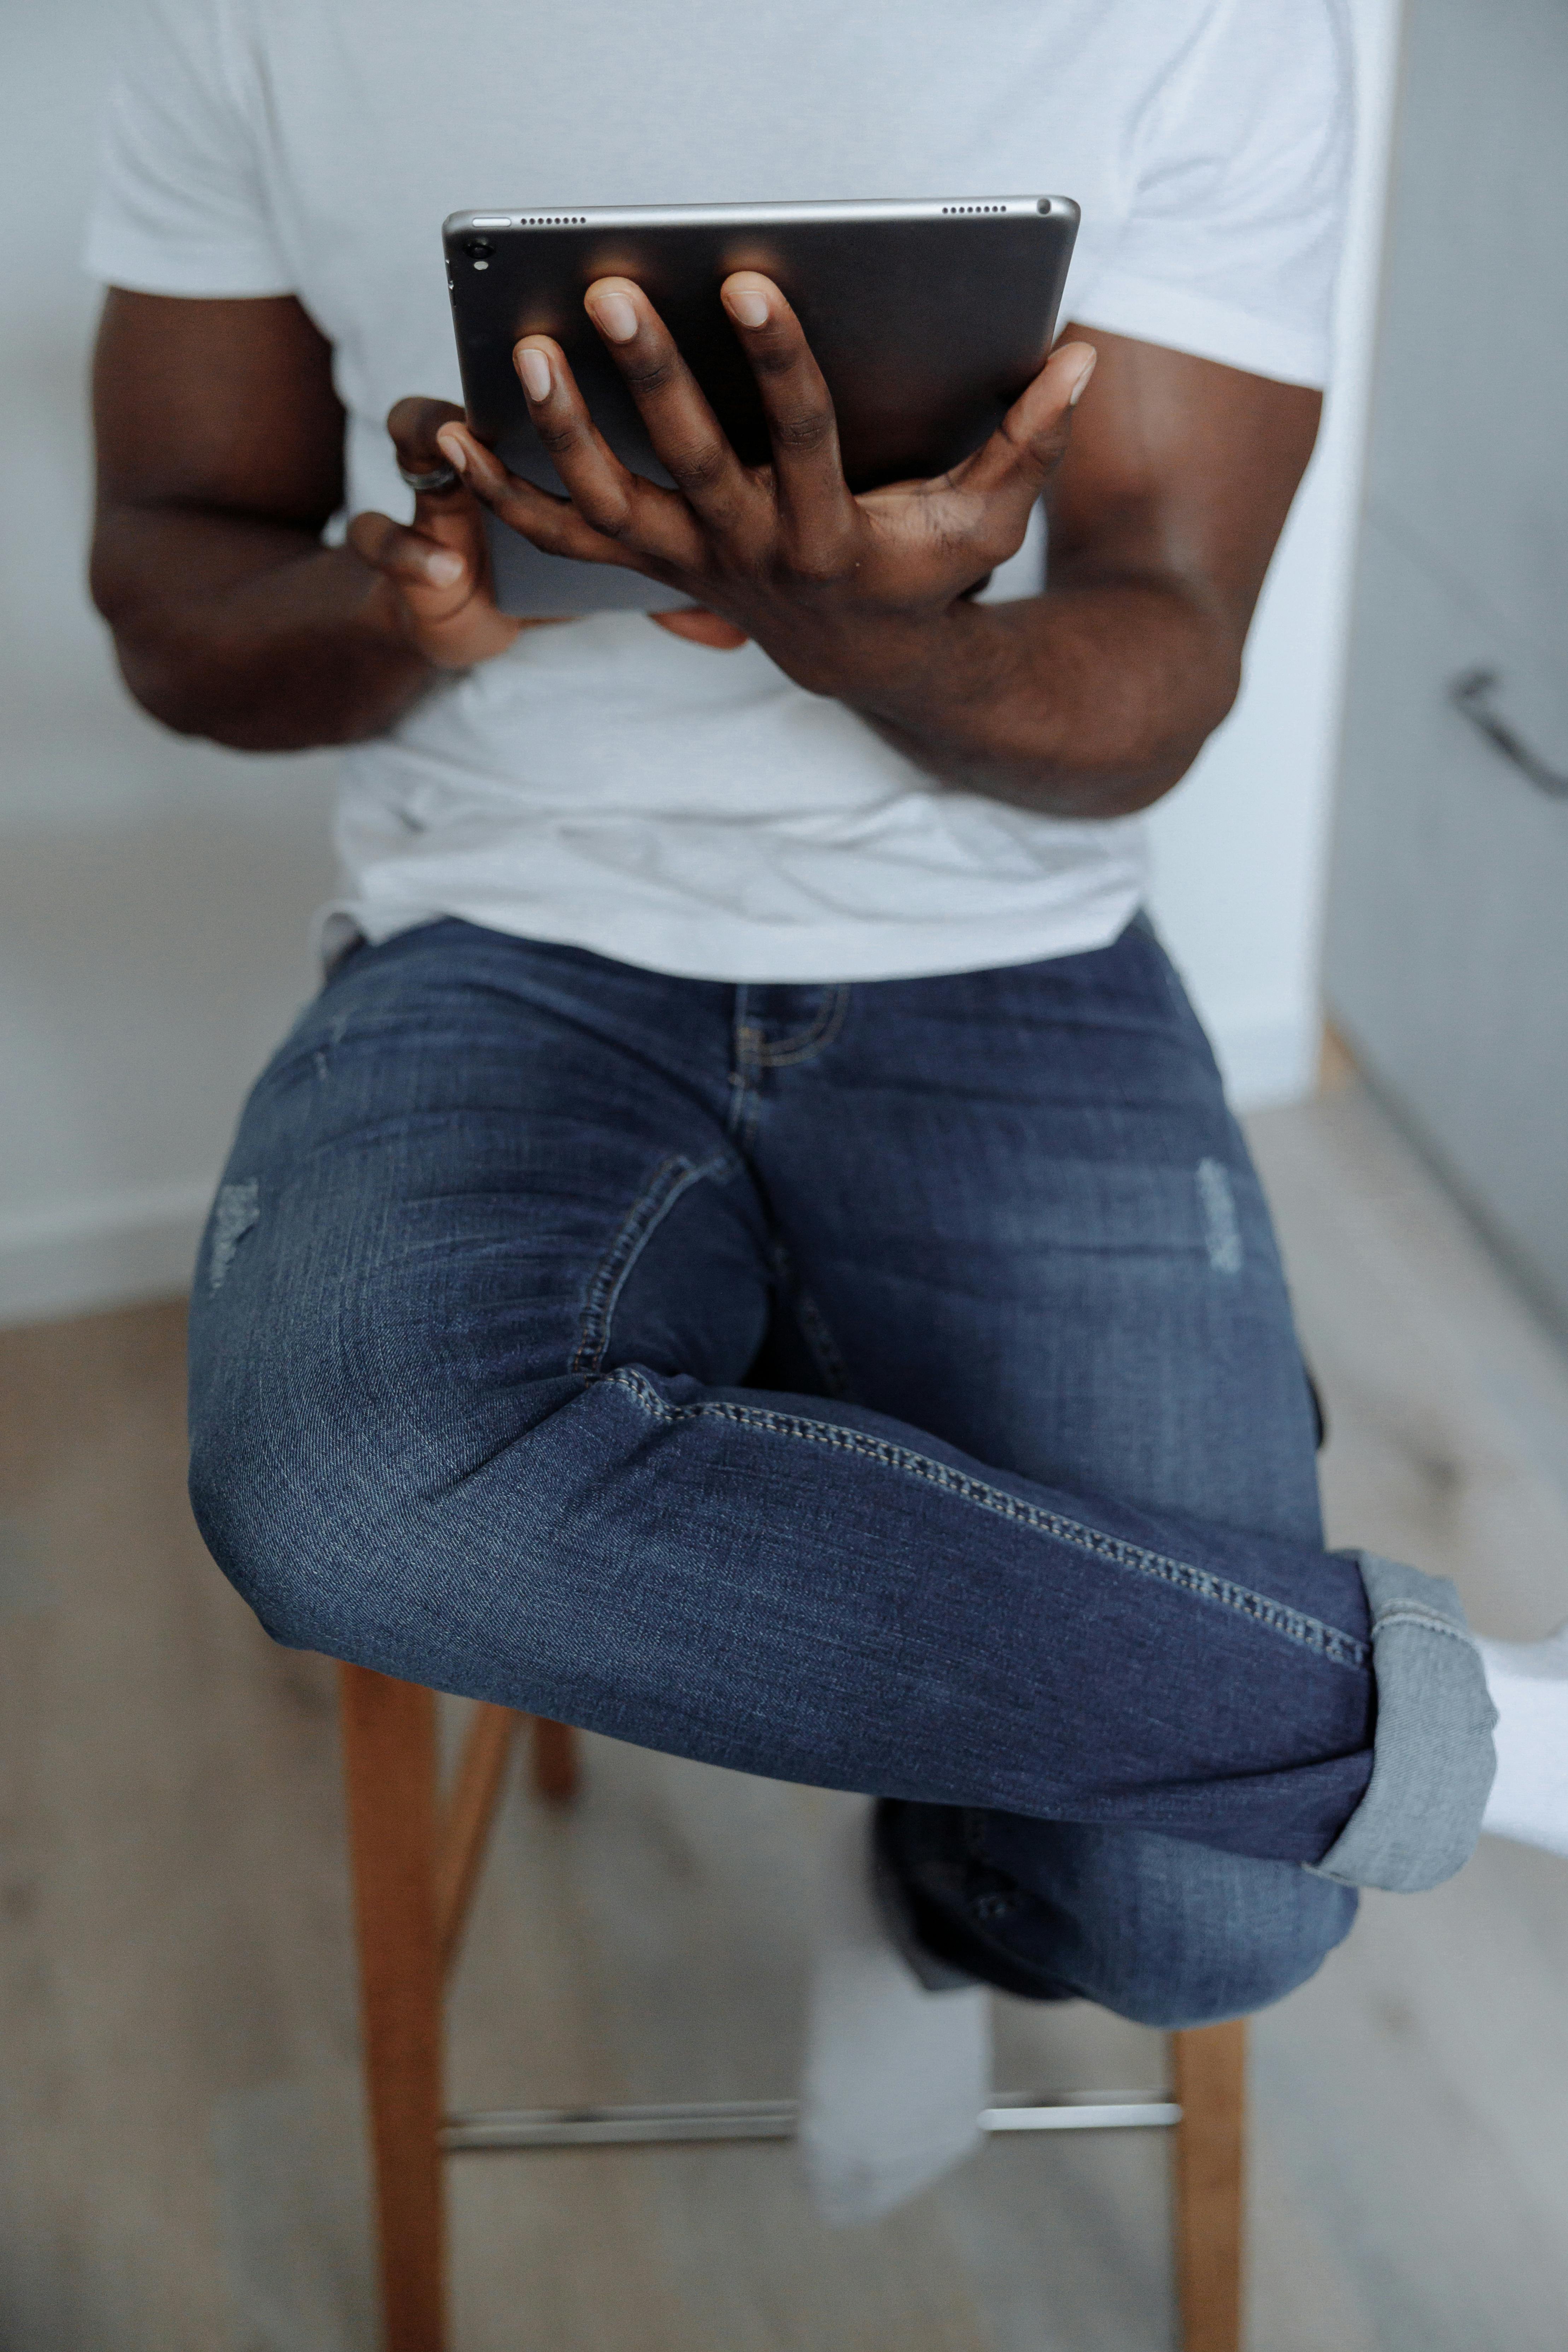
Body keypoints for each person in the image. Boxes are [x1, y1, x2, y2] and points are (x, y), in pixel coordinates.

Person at [86, 0, 1568, 2223]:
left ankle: (935, 1871)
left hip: (1006, 962)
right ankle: (1510, 1734)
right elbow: (175, 590)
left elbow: (1157, 664)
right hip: (503, 943)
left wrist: (865, 641)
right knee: (346, 1485)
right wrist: (405, 601)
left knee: (1210, 1923)